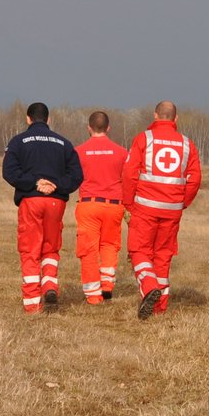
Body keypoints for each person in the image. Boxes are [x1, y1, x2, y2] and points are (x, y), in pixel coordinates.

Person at [122, 100, 202, 319]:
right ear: (175, 119)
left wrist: (128, 203)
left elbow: (129, 174)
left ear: (155, 116)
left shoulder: (144, 139)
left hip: (145, 207)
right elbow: (195, 179)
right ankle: (160, 307)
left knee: (139, 251)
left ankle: (149, 288)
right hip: (172, 211)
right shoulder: (187, 144)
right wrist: (181, 202)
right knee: (163, 255)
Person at [1, 102, 83, 313]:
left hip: (31, 200)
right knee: (50, 248)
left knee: (30, 250)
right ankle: (49, 285)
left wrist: (34, 183)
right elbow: (77, 175)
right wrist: (57, 186)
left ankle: (32, 305)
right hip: (56, 202)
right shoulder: (64, 143)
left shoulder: (18, 141)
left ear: (28, 119)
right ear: (49, 119)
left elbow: (9, 172)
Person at [73, 110, 128, 305]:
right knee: (109, 245)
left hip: (89, 204)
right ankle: (107, 285)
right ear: (108, 128)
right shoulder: (122, 152)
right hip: (114, 205)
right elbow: (128, 179)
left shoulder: (79, 151)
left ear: (89, 128)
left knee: (88, 249)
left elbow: (73, 177)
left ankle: (93, 295)